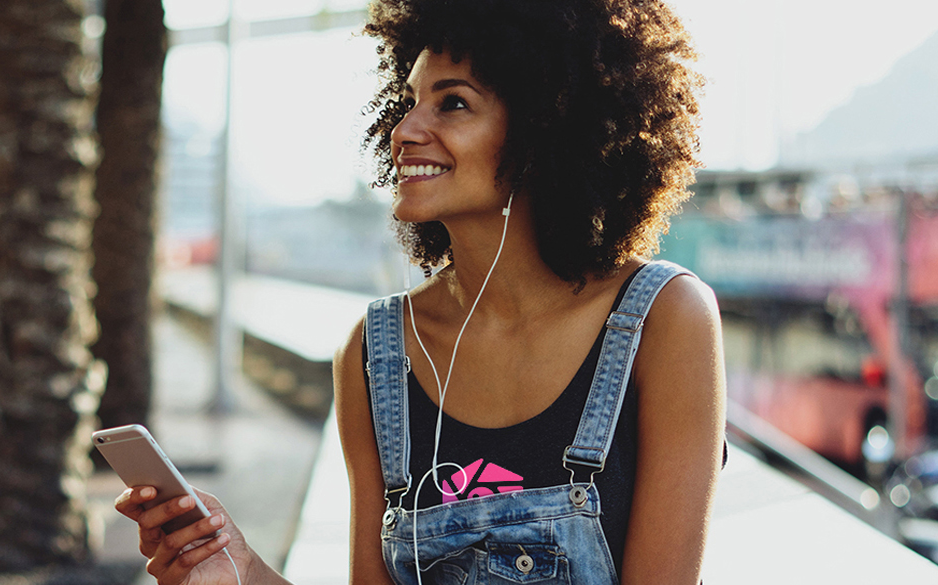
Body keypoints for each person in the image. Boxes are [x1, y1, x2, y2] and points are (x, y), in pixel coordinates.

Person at [114, 0, 724, 583]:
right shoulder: (376, 353)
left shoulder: (662, 321)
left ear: (547, 128)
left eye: (452, 103)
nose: (405, 131)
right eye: (408, 102)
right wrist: (243, 572)